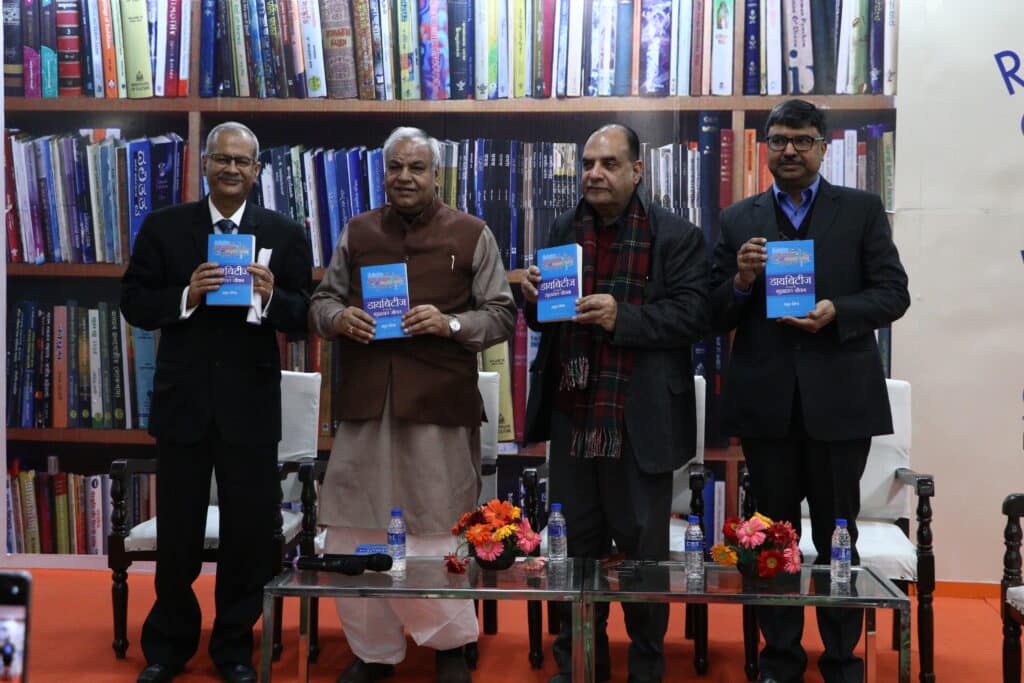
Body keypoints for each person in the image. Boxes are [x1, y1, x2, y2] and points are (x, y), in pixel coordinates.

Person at [710, 99, 910, 683]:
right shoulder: (738, 219)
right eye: (778, 140)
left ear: (823, 147)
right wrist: (743, 281)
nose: (789, 151)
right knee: (773, 535)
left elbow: (892, 293)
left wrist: (836, 311)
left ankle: (843, 658)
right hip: (767, 402)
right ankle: (780, 659)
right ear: (764, 148)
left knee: (836, 533)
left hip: (840, 401)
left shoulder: (861, 210)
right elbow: (710, 309)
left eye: (801, 140)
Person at [308, 126, 516, 683]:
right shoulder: (358, 232)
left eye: (416, 168)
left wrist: (449, 322)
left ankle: (449, 646)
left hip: (437, 408)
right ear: (384, 173)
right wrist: (337, 318)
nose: (405, 177)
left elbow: (501, 313)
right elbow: (321, 301)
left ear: (436, 174)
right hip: (365, 406)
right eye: (396, 167)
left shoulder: (472, 233)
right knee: (353, 529)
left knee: (434, 530)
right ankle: (375, 652)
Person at [121, 122, 313, 683]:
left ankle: (234, 647)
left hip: (250, 406)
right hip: (183, 404)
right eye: (221, 159)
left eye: (242, 161)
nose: (231, 169)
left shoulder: (283, 231)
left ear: (258, 170)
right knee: (177, 532)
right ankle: (168, 647)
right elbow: (133, 299)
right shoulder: (166, 227)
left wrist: (271, 295)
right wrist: (187, 294)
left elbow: (304, 313)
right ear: (204, 164)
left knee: (249, 537)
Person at [522, 123, 710, 683]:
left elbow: (694, 316)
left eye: (607, 164)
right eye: (587, 164)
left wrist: (621, 316)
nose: (594, 174)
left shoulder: (676, 236)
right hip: (574, 413)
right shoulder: (562, 227)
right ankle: (580, 661)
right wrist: (533, 297)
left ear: (637, 171)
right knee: (573, 550)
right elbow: (548, 322)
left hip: (640, 418)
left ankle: (646, 666)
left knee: (641, 557)